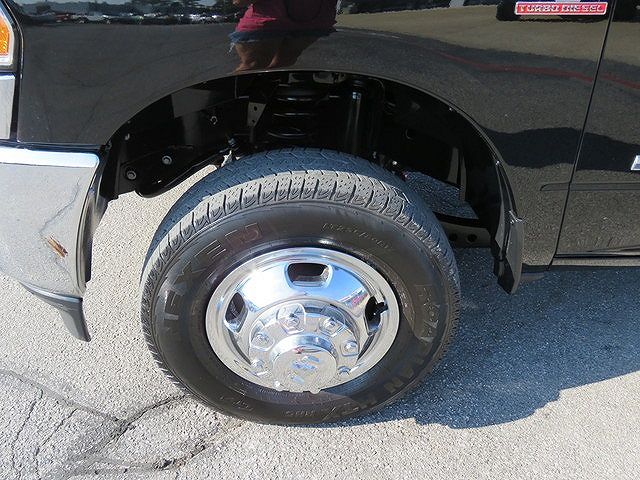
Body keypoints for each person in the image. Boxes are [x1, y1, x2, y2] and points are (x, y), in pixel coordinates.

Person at [230, 0, 338, 72]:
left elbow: (239, 2)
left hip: (272, 20)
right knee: (275, 65)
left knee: (259, 65)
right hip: (313, 20)